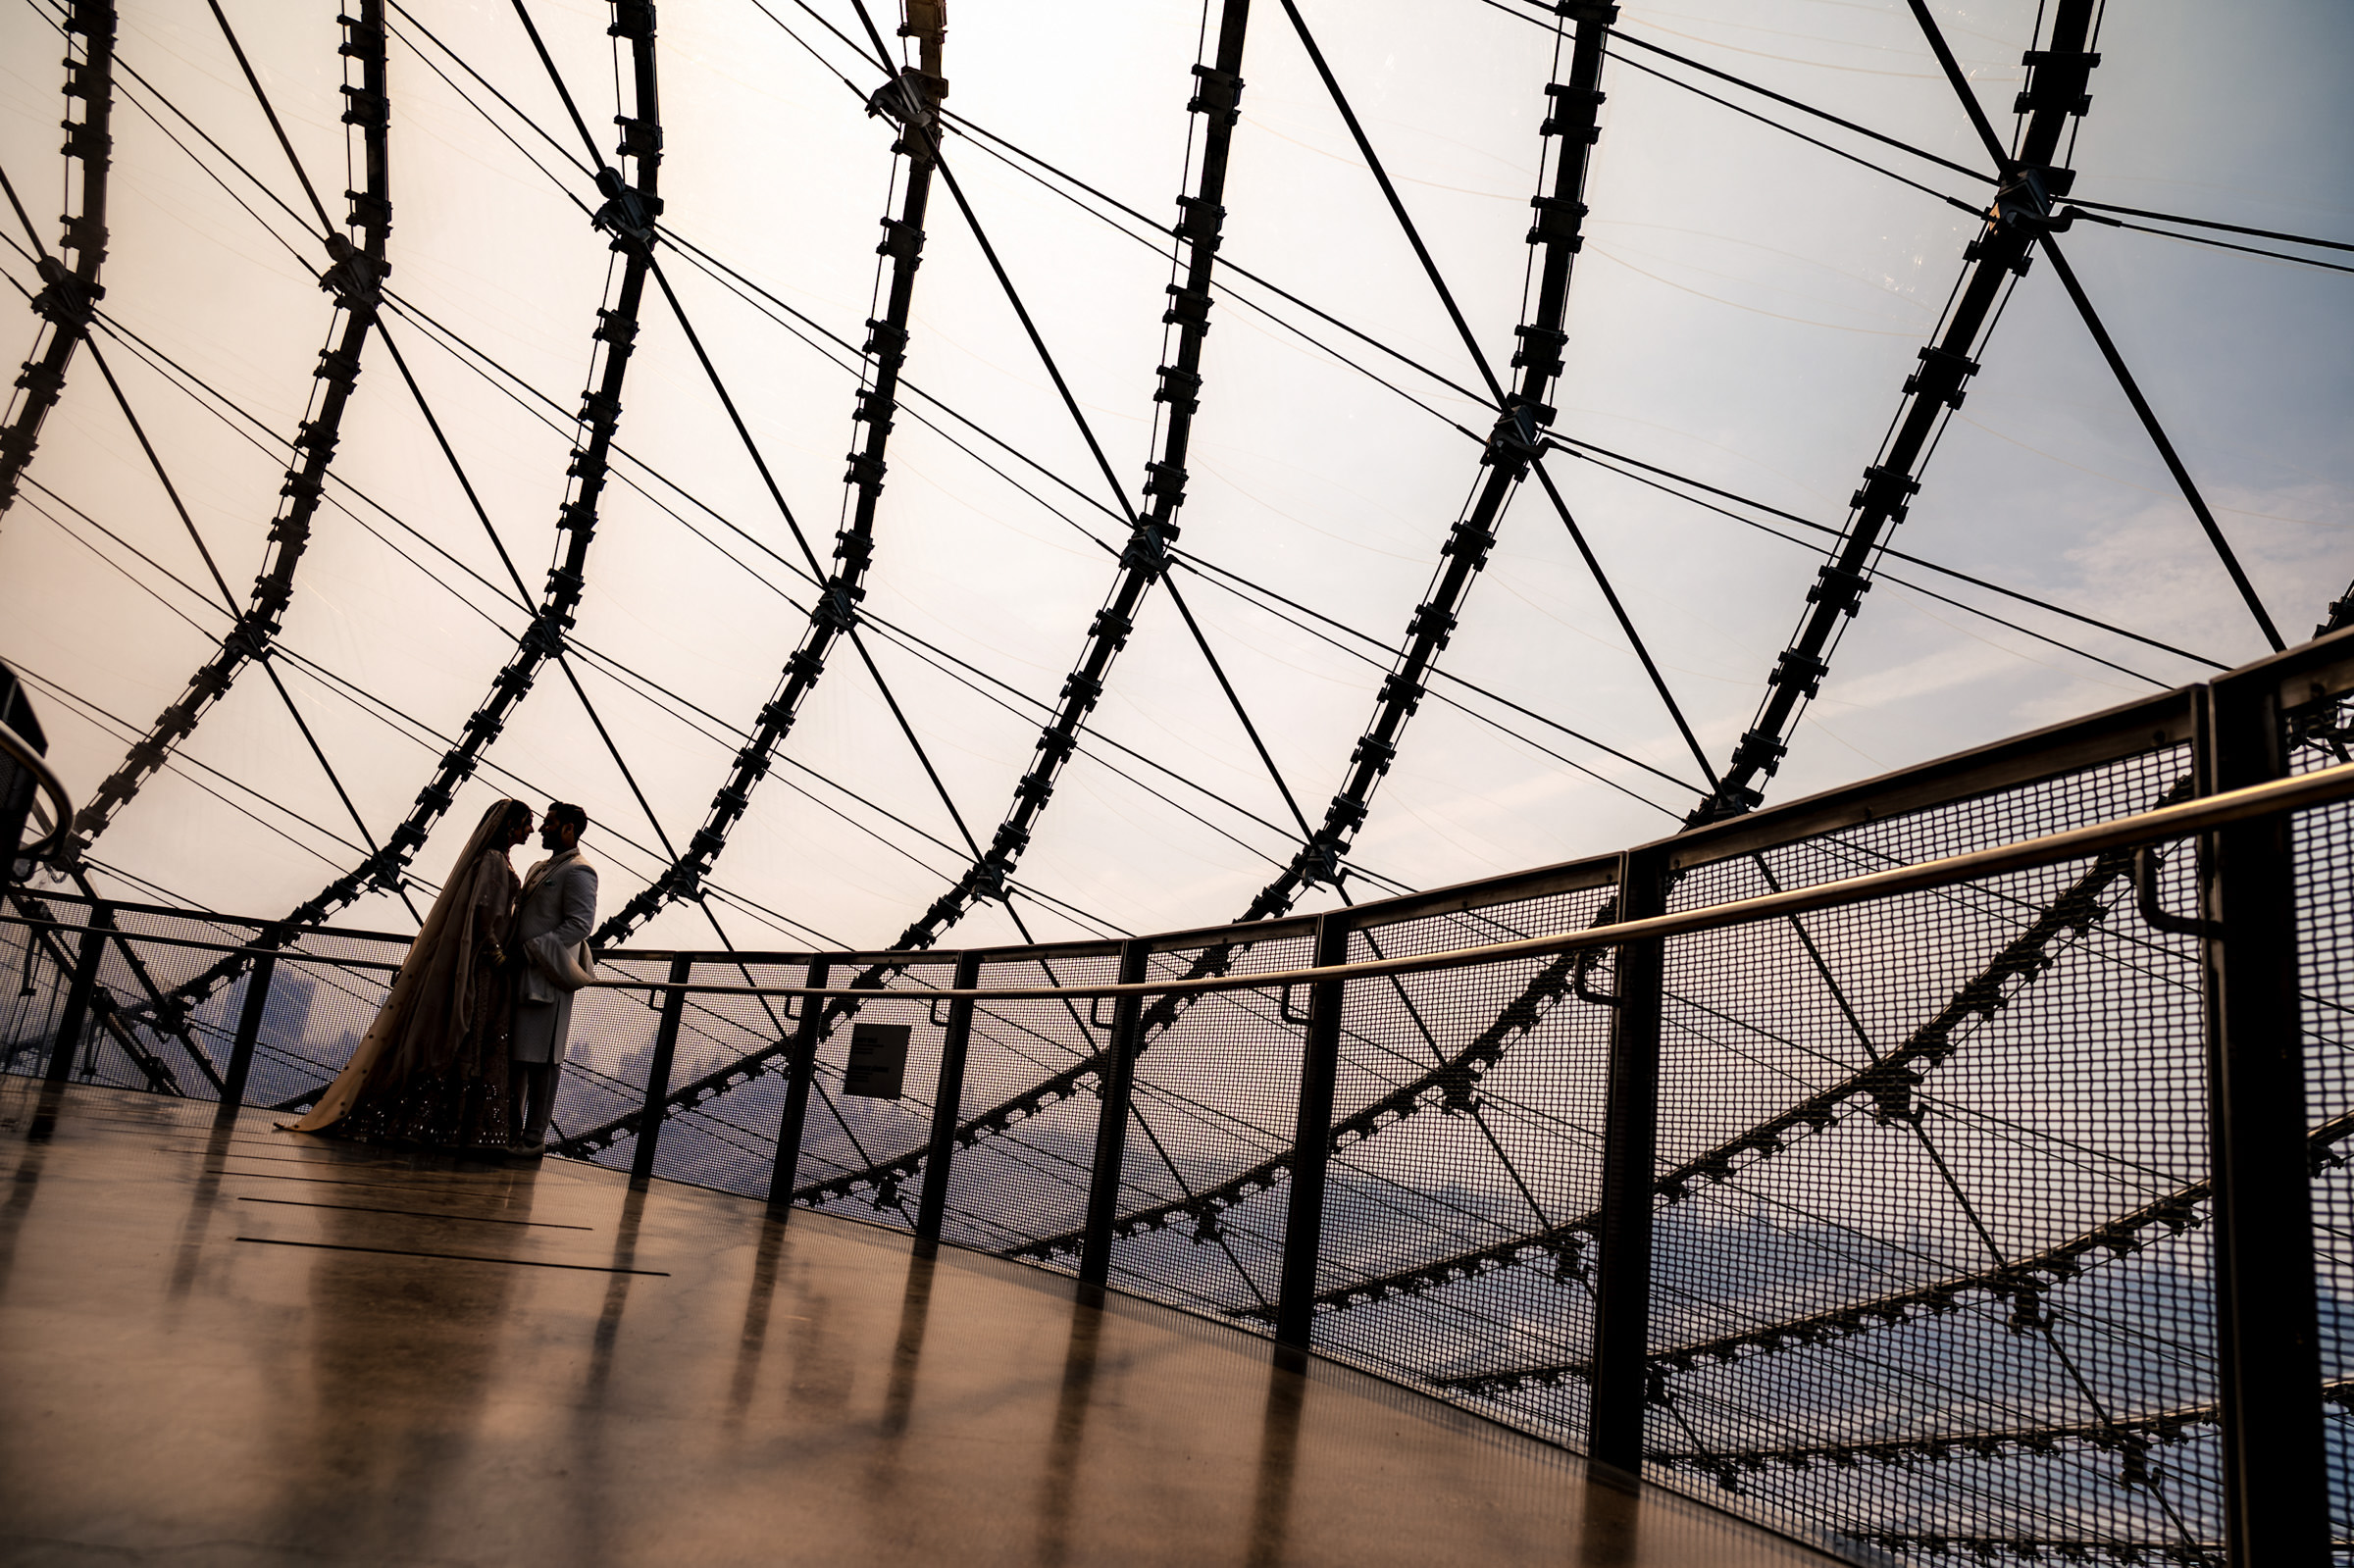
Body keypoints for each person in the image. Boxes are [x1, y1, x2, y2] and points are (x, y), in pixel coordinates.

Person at [286, 798, 531, 1147]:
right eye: (526, 823)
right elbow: (483, 915)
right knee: (464, 1042)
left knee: (462, 1042)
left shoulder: (492, 860)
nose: (530, 830)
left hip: (478, 964)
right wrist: (496, 955)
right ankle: (445, 1129)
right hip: (481, 969)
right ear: (510, 826)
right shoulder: (493, 861)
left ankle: (430, 1125)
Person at [510, 801, 597, 1155]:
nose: (543, 828)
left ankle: (533, 1138)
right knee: (519, 1056)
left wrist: (532, 950)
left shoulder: (580, 871)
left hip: (547, 977)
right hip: (523, 973)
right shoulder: (539, 868)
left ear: (569, 829)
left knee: (544, 1060)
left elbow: (580, 925)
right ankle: (515, 1132)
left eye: (550, 823)